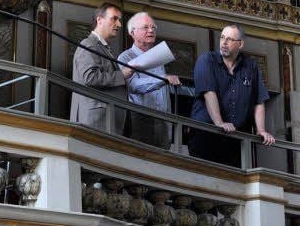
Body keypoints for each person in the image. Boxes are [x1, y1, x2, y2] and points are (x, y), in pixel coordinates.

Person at [188, 23, 275, 167]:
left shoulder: (251, 66)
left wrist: (261, 130)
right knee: (205, 176)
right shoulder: (207, 60)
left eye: (229, 39)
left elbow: (259, 100)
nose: (224, 42)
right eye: (222, 37)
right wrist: (219, 123)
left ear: (240, 44)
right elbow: (209, 93)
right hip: (206, 135)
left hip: (236, 140)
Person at [118, 12, 180, 149]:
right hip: (140, 120)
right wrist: (162, 79)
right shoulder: (125, 57)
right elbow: (133, 86)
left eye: (153, 27)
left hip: (163, 122)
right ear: (132, 32)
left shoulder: (159, 58)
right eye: (145, 27)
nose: (151, 30)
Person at [70, 2, 133, 134]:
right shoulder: (89, 44)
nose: (119, 24)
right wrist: (122, 75)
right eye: (114, 19)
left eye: (119, 20)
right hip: (96, 121)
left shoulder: (103, 47)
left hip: (106, 121)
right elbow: (90, 77)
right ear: (99, 20)